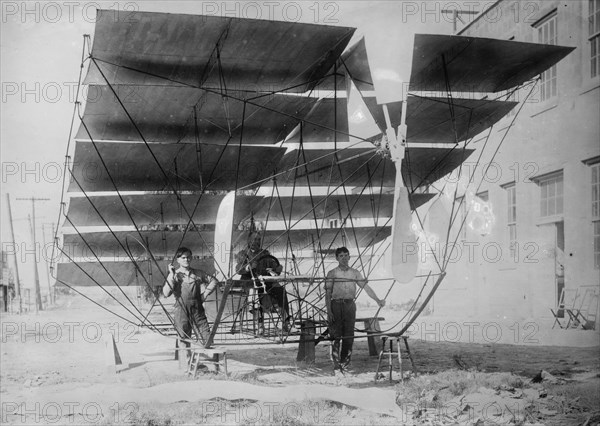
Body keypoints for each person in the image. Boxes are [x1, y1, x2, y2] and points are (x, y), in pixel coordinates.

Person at [325, 247, 385, 374]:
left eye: (346, 255)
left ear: (349, 257)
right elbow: (328, 293)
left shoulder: (355, 273)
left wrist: (378, 300)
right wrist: (329, 311)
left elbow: (366, 288)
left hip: (350, 305)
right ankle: (336, 366)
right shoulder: (332, 273)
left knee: (349, 336)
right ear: (336, 258)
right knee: (335, 336)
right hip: (335, 305)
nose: (344, 258)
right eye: (341, 256)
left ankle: (344, 364)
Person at [163, 247, 218, 354]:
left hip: (198, 309)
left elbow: (214, 281)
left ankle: (211, 366)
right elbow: (166, 293)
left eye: (188, 257)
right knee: (184, 339)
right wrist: (171, 274)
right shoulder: (174, 274)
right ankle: (186, 368)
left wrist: (205, 294)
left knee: (207, 337)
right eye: (183, 257)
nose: (186, 260)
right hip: (181, 310)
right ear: (178, 260)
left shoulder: (198, 273)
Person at [235, 234, 290, 335]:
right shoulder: (243, 254)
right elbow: (238, 269)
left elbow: (273, 266)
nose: (256, 242)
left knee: (281, 291)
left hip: (266, 281)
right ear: (249, 241)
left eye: (258, 239)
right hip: (250, 282)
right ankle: (260, 324)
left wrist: (277, 269)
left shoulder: (265, 253)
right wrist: (249, 267)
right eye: (254, 239)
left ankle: (286, 322)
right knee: (255, 294)